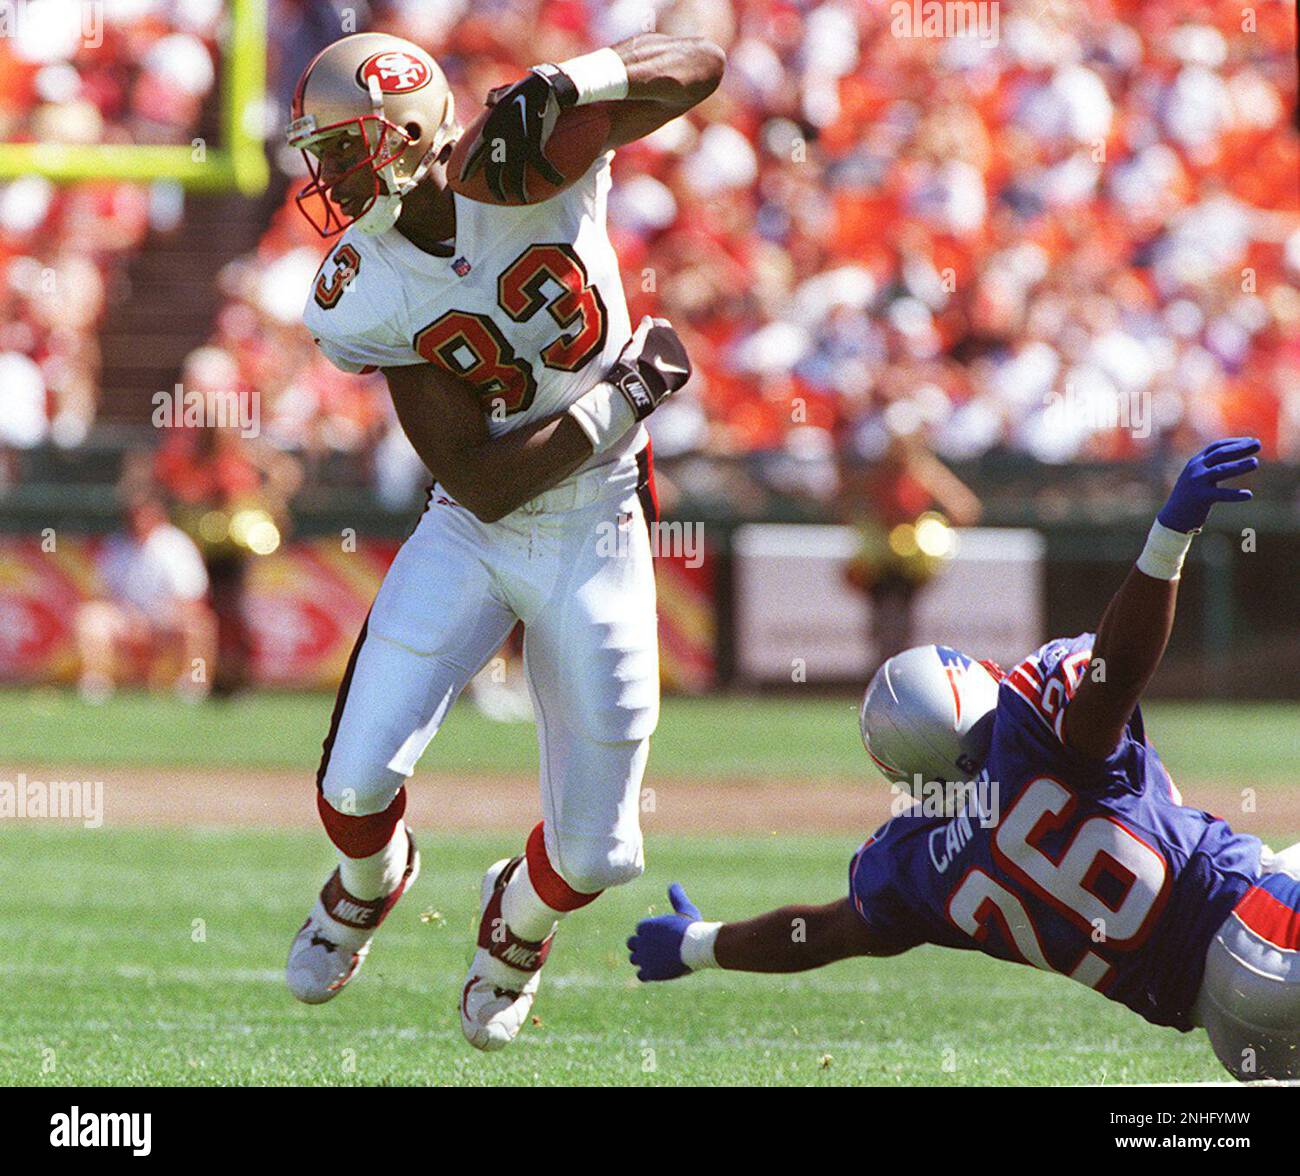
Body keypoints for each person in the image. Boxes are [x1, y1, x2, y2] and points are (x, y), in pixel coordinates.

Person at [282, 30, 724, 1051]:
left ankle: (515, 925)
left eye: (344, 148)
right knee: (352, 784)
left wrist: (578, 79)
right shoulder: (365, 285)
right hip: (477, 527)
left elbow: (700, 63)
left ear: (408, 131)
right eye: (321, 153)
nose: (328, 175)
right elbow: (475, 480)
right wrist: (621, 402)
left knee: (600, 852)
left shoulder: (521, 162)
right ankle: (370, 882)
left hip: (597, 523)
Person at [628, 438, 1300, 1082]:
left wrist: (700, 943)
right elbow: (1114, 674)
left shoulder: (919, 867)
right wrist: (1168, 537)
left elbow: (821, 933)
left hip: (1227, 1027)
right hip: (1258, 919)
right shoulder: (1036, 733)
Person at [75, 494, 216, 703]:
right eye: (136, 516)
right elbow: (100, 593)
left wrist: (154, 617)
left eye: (146, 516)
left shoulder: (176, 545)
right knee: (90, 618)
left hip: (165, 615)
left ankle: (193, 684)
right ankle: (97, 683)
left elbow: (191, 598)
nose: (140, 522)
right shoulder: (116, 545)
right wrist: (132, 616)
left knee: (198, 625)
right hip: (126, 615)